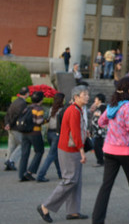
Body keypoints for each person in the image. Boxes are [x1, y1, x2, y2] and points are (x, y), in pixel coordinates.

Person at [92, 76, 129, 224]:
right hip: (126, 151)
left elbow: (101, 122)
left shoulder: (113, 104)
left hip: (109, 150)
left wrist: (113, 128)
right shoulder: (128, 106)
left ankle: (97, 219)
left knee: (106, 186)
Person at [38, 85, 90, 222]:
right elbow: (75, 132)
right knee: (70, 180)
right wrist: (82, 151)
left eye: (87, 94)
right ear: (76, 97)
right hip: (69, 149)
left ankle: (73, 211)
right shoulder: (74, 110)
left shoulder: (76, 109)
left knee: (75, 181)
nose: (87, 96)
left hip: (69, 147)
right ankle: (45, 206)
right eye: (84, 94)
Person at [37, 92, 65, 182]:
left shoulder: (52, 109)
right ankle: (41, 175)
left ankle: (60, 173)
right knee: (51, 155)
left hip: (49, 133)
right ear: (61, 100)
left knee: (55, 155)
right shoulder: (62, 110)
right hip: (57, 134)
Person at [19, 90, 46, 182]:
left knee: (24, 153)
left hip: (25, 132)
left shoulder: (27, 108)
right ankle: (30, 172)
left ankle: (21, 174)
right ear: (41, 100)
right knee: (39, 151)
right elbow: (38, 122)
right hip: (35, 133)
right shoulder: (39, 109)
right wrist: (46, 120)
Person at [4, 86, 30, 171]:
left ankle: (8, 160)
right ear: (26, 94)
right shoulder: (22, 103)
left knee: (12, 145)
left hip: (11, 127)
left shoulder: (15, 101)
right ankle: (11, 161)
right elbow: (17, 115)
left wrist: (7, 123)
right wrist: (10, 124)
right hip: (16, 127)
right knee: (22, 145)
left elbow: (8, 113)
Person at [89, 93, 107, 167]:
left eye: (96, 99)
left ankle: (100, 161)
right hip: (98, 131)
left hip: (100, 131)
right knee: (98, 146)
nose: (94, 101)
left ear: (99, 100)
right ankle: (101, 160)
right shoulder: (99, 107)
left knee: (97, 146)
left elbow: (104, 117)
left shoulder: (103, 107)